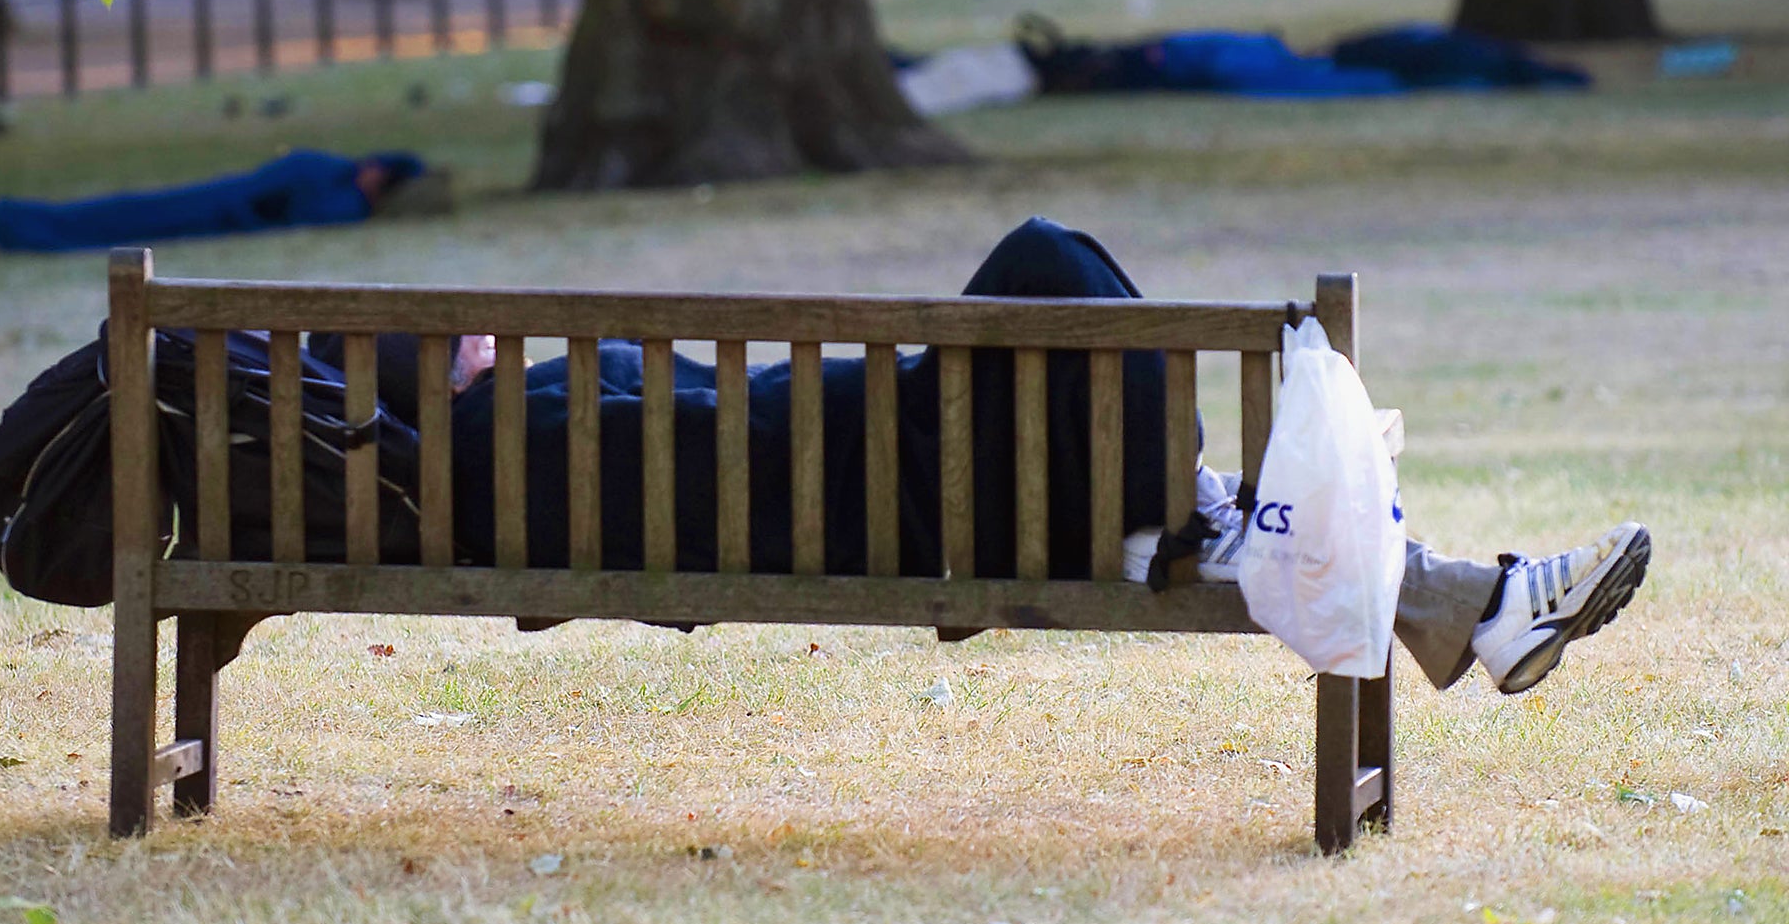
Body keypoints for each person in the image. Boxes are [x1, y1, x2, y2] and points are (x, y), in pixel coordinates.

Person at [426, 218, 1649, 697]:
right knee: (1041, 256)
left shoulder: (530, 422)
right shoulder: (507, 439)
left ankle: (1461, 607)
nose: (474, 346)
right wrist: (482, 401)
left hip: (899, 468)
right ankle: (1185, 514)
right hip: (898, 495)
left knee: (1046, 265)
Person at [0, 148, 427, 253]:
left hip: (222, 207)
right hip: (223, 205)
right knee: (125, 215)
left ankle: (21, 224)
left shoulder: (339, 187)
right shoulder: (337, 181)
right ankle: (19, 222)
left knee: (127, 219)